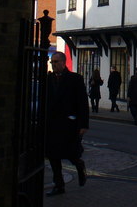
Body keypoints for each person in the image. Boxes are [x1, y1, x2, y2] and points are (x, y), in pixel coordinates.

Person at [45, 51, 89, 196]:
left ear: (64, 62)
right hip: (52, 124)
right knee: (53, 156)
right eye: (52, 62)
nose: (53, 64)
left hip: (69, 124)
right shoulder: (48, 79)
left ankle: (79, 165)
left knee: (70, 153)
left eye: (56, 62)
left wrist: (83, 125)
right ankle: (59, 185)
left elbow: (82, 103)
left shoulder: (75, 79)